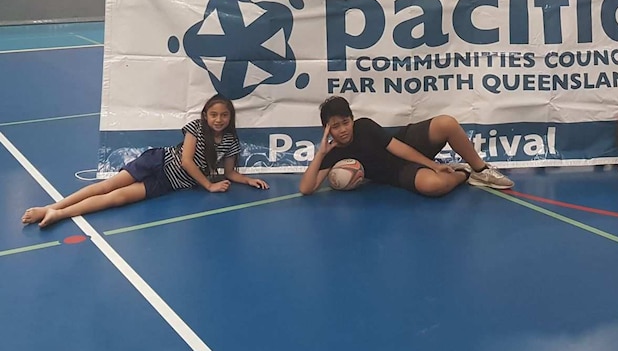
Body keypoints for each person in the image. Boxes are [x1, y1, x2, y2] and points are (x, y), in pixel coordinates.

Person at [21, 95, 268, 229]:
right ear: (205, 115)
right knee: (105, 186)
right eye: (214, 114)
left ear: (230, 118)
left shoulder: (231, 141)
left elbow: (229, 172)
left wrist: (247, 179)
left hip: (167, 184)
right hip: (157, 162)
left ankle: (60, 214)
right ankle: (50, 206)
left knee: (114, 199)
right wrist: (209, 185)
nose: (218, 119)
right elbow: (186, 162)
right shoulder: (195, 128)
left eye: (224, 115)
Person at [299, 96, 514, 197]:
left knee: (446, 123)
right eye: (335, 126)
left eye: (346, 122)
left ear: (352, 119)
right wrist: (321, 153)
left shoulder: (364, 126)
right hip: (397, 172)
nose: (343, 129)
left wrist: (433, 164)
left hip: (406, 142)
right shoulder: (333, 151)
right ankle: (464, 173)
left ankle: (480, 170)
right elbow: (306, 188)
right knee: (433, 186)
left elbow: (397, 148)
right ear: (327, 129)